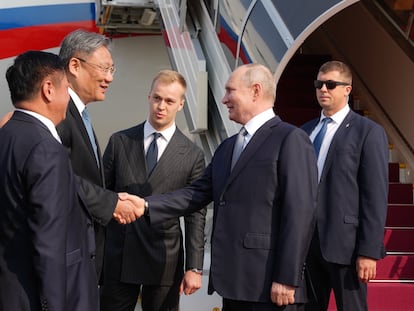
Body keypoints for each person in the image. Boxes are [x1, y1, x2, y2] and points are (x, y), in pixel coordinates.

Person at [131, 63, 318, 310]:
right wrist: (145, 204)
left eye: (230, 91)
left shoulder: (290, 139)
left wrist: (287, 277)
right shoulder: (228, 147)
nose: (223, 99)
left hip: (271, 286)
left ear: (255, 91)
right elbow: (196, 193)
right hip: (234, 284)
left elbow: (300, 213)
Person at [100, 70, 207, 311]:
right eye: (157, 98)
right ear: (148, 97)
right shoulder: (120, 141)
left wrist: (194, 267)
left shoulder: (192, 155)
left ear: (181, 104)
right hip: (119, 254)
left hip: (164, 258)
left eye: (169, 101)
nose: (161, 106)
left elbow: (195, 215)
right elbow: (101, 196)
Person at [0, 50, 98, 310]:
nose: (68, 97)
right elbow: (49, 242)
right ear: (48, 90)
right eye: (66, 87)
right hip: (39, 295)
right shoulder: (45, 148)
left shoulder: (7, 135)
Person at [301, 61, 388, 311]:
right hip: (306, 246)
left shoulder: (368, 132)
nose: (323, 89)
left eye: (330, 84)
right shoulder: (305, 132)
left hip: (346, 248)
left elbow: (375, 196)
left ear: (347, 89)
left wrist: (369, 251)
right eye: (319, 84)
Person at [56, 29, 141, 282]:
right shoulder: (59, 113)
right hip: (66, 253)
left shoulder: (79, 114)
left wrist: (112, 196)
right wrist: (111, 203)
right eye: (104, 68)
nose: (109, 78)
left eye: (112, 70)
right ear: (74, 65)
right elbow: (58, 177)